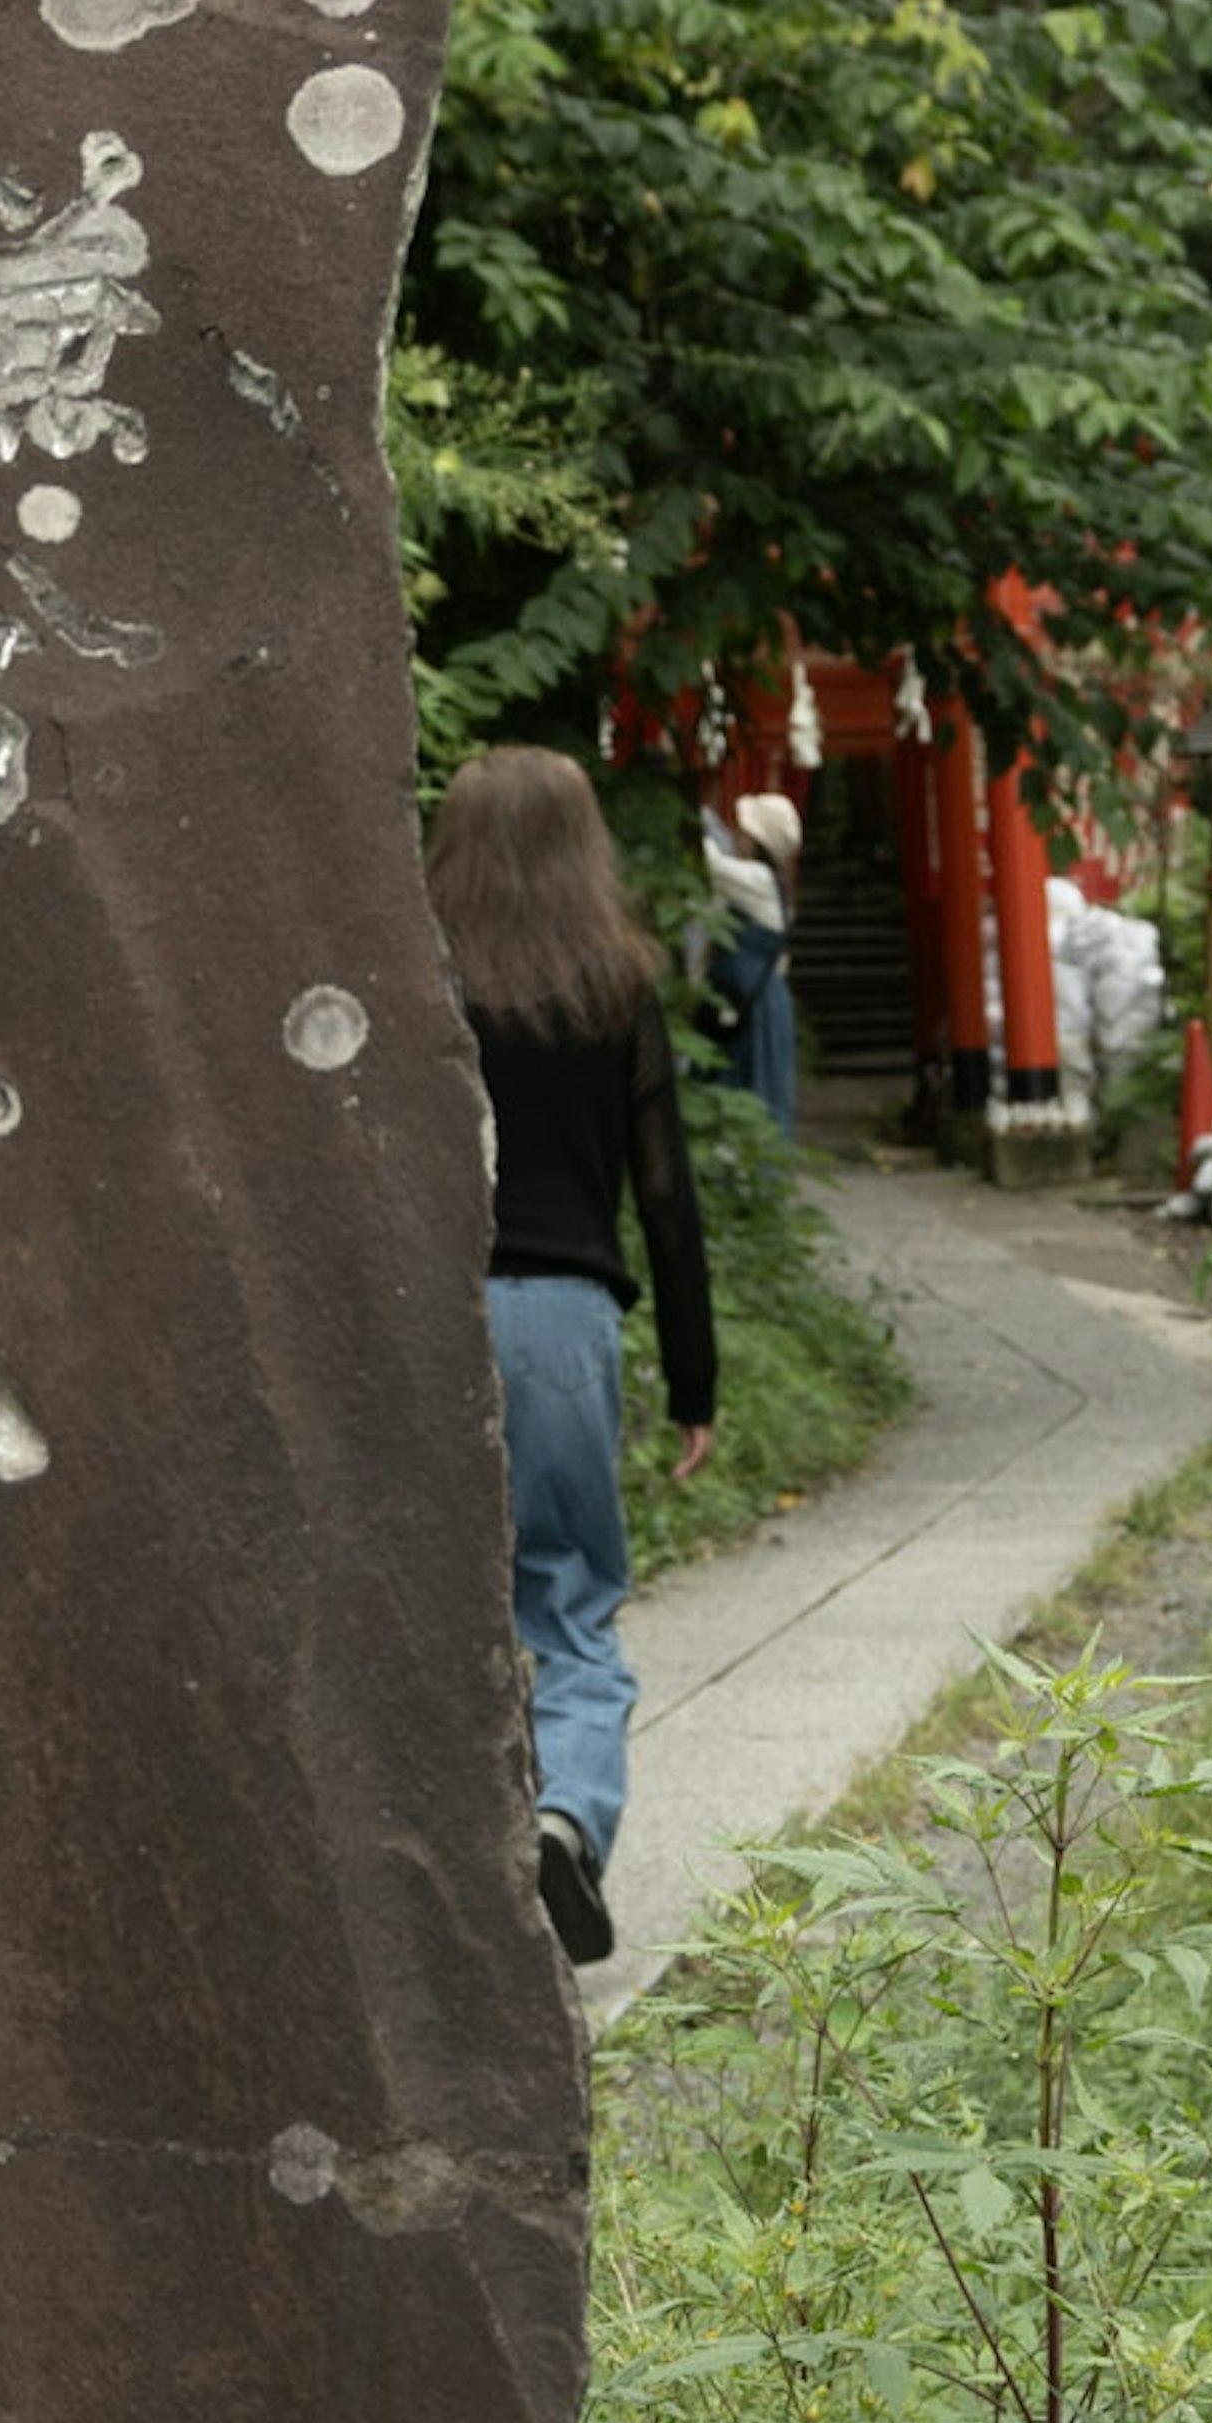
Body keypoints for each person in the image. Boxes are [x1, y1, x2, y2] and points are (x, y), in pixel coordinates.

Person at [426, 745, 716, 1969]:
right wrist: (695, 1382)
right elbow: (666, 1195)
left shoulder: (416, 979)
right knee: (574, 1604)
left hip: (427, 1318)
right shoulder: (616, 987)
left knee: (438, 1602)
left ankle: (441, 1871)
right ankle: (562, 1820)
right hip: (564, 1322)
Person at [697, 786, 803, 1128]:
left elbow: (709, 864)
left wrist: (695, 814)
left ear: (757, 841)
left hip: (751, 1005)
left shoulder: (757, 880)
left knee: (751, 1090)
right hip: (756, 1001)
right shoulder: (771, 884)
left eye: (744, 830)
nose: (737, 835)